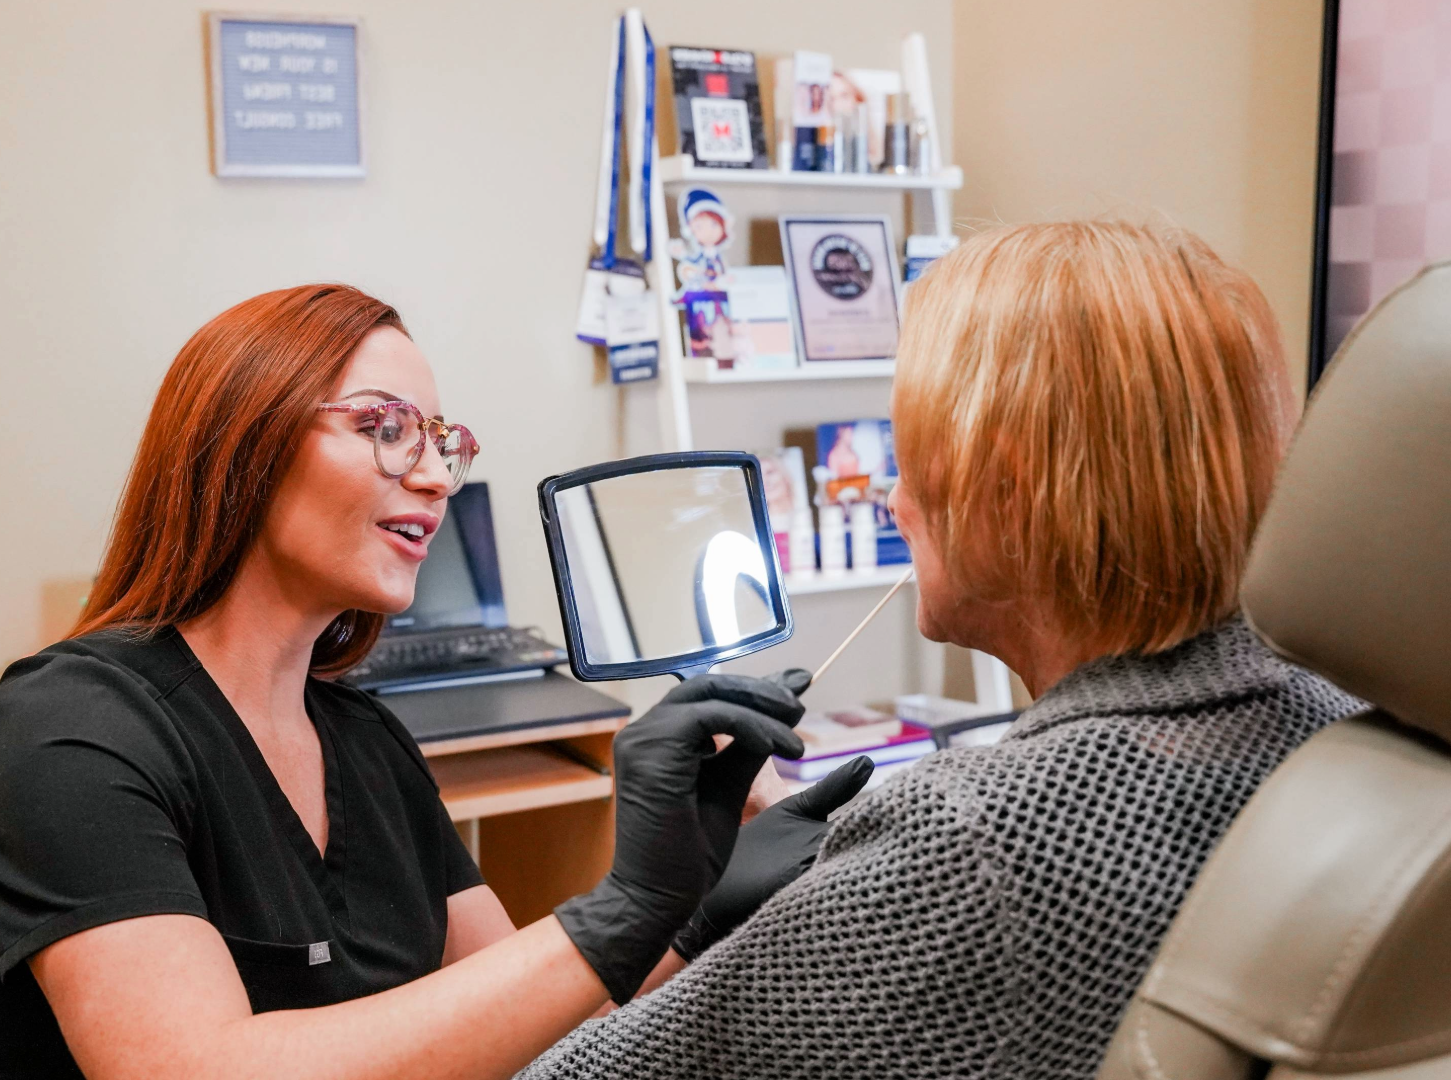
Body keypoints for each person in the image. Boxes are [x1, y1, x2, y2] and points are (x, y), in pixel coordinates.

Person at [0, 283, 869, 1080]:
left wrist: (687, 910)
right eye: (386, 428)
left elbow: (533, 1031)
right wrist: (616, 908)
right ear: (239, 445)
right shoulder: (68, 737)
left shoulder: (366, 743)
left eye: (443, 442)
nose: (437, 479)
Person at [517, 221, 1365, 1080]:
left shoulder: (970, 848)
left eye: (909, 457)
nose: (892, 499)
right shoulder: (1347, 730)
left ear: (1006, 489)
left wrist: (664, 922)